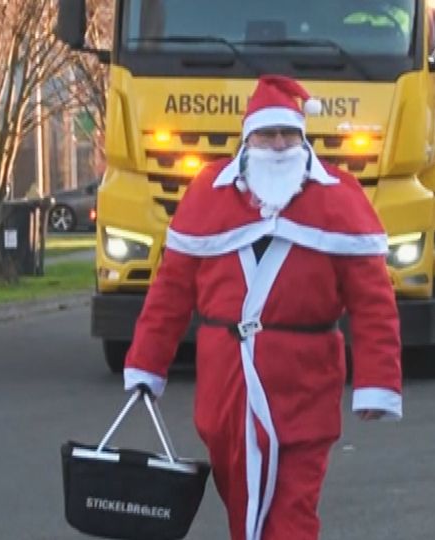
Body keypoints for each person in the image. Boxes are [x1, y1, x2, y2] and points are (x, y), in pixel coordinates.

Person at [123, 75, 402, 540]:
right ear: (247, 139)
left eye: (287, 134)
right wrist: (146, 366)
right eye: (267, 135)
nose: (277, 145)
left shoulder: (338, 200)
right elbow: (170, 292)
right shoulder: (207, 195)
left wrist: (377, 383)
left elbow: (373, 302)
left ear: (302, 137)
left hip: (304, 388)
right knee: (244, 509)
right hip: (225, 393)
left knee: (290, 516)